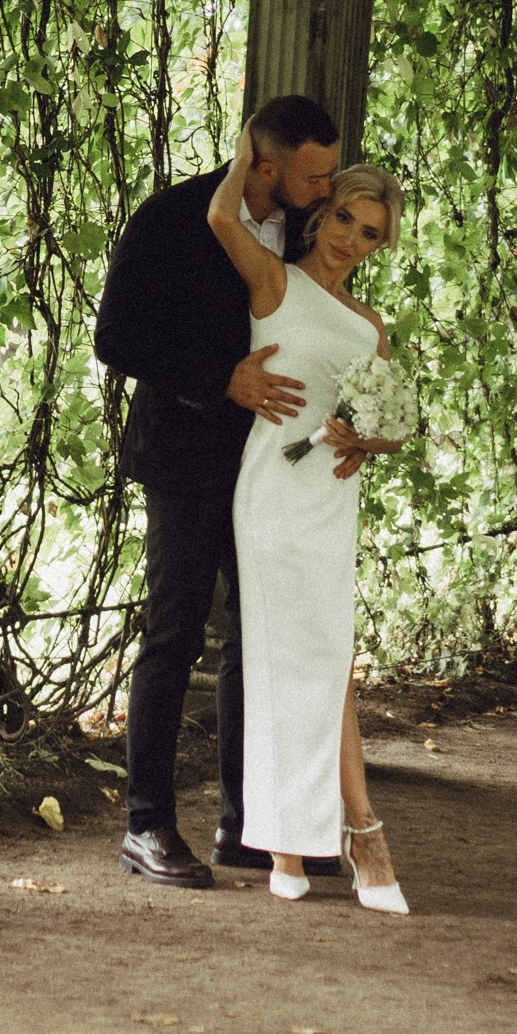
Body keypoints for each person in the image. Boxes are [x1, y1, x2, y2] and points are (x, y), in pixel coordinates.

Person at [94, 95, 341, 888]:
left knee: (258, 639)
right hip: (186, 454)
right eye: (312, 174)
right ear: (264, 166)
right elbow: (117, 336)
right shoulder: (172, 216)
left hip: (274, 462)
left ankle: (249, 823)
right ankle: (146, 824)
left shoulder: (308, 230)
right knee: (174, 634)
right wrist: (219, 378)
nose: (326, 190)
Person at [207, 131, 411, 914]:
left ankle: (303, 843)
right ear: (323, 208)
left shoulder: (369, 326)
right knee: (283, 659)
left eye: (370, 235)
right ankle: (354, 837)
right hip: (271, 492)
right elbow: (225, 215)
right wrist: (247, 145)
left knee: (327, 657)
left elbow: (389, 423)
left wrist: (366, 437)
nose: (352, 242)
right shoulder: (276, 283)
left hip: (331, 493)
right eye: (346, 221)